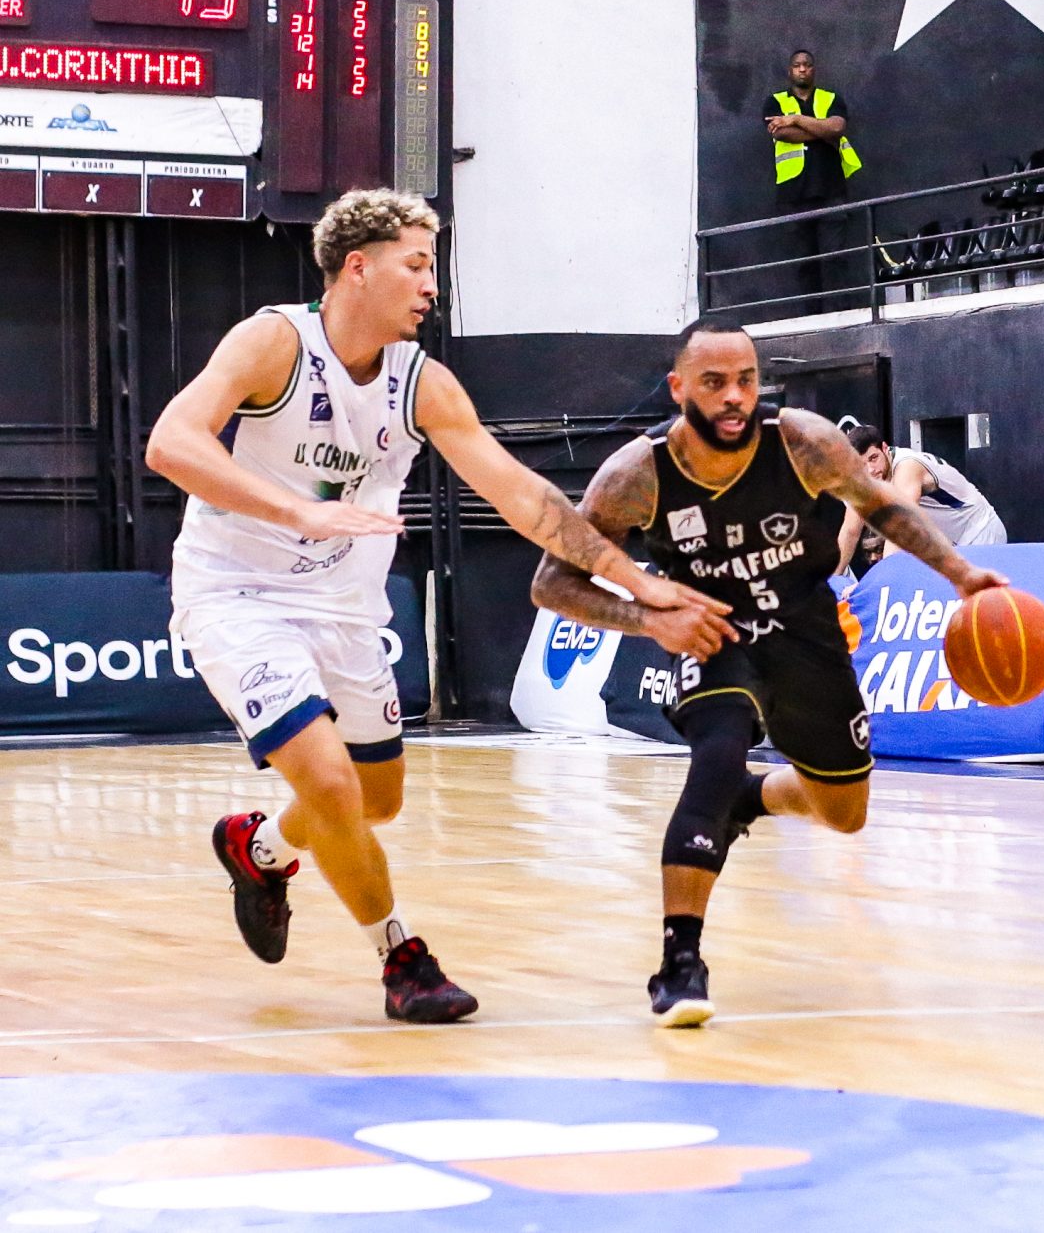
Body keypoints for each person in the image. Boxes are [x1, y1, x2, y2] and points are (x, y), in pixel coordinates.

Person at [145, 189, 729, 1025]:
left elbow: (522, 495)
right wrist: (298, 510)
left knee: (374, 801)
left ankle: (260, 848)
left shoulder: (422, 383)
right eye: (416, 264)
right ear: (358, 267)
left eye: (433, 266)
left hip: (345, 609)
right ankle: (403, 959)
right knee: (329, 783)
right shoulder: (275, 342)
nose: (431, 284)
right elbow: (171, 442)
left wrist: (638, 582)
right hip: (239, 593)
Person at [530, 317, 1004, 1028]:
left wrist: (960, 572)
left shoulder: (803, 441)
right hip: (712, 635)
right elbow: (551, 584)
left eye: (746, 381)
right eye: (714, 382)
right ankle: (680, 961)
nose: (733, 396)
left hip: (805, 634)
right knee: (715, 760)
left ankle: (751, 799)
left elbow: (880, 506)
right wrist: (649, 620)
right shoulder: (636, 474)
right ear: (678, 387)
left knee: (845, 812)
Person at [762, 48, 863, 313]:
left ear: (813, 69)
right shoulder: (774, 102)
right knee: (804, 262)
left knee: (835, 258)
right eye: (797, 65)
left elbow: (837, 127)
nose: (802, 69)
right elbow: (782, 134)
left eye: (807, 65)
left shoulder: (831, 98)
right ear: (790, 70)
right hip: (794, 194)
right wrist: (821, 130)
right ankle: (812, 318)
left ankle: (842, 315)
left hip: (831, 190)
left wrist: (795, 119)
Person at [838, 425, 1006, 569]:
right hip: (949, 548)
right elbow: (850, 531)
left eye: (874, 458)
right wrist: (830, 581)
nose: (870, 470)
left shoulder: (908, 466)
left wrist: (881, 580)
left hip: (980, 531)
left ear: (884, 448)